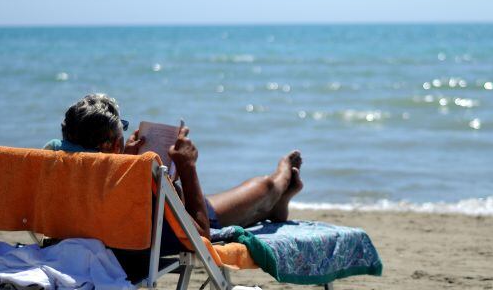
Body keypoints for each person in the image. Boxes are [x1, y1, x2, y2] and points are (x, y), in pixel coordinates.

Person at [45, 94, 304, 240]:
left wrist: (126, 158)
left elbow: (96, 170)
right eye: (120, 133)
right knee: (264, 186)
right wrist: (187, 166)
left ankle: (277, 204)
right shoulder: (140, 180)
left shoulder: (54, 163)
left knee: (251, 204)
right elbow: (200, 232)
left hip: (98, 234)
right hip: (188, 215)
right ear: (111, 145)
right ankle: (283, 178)